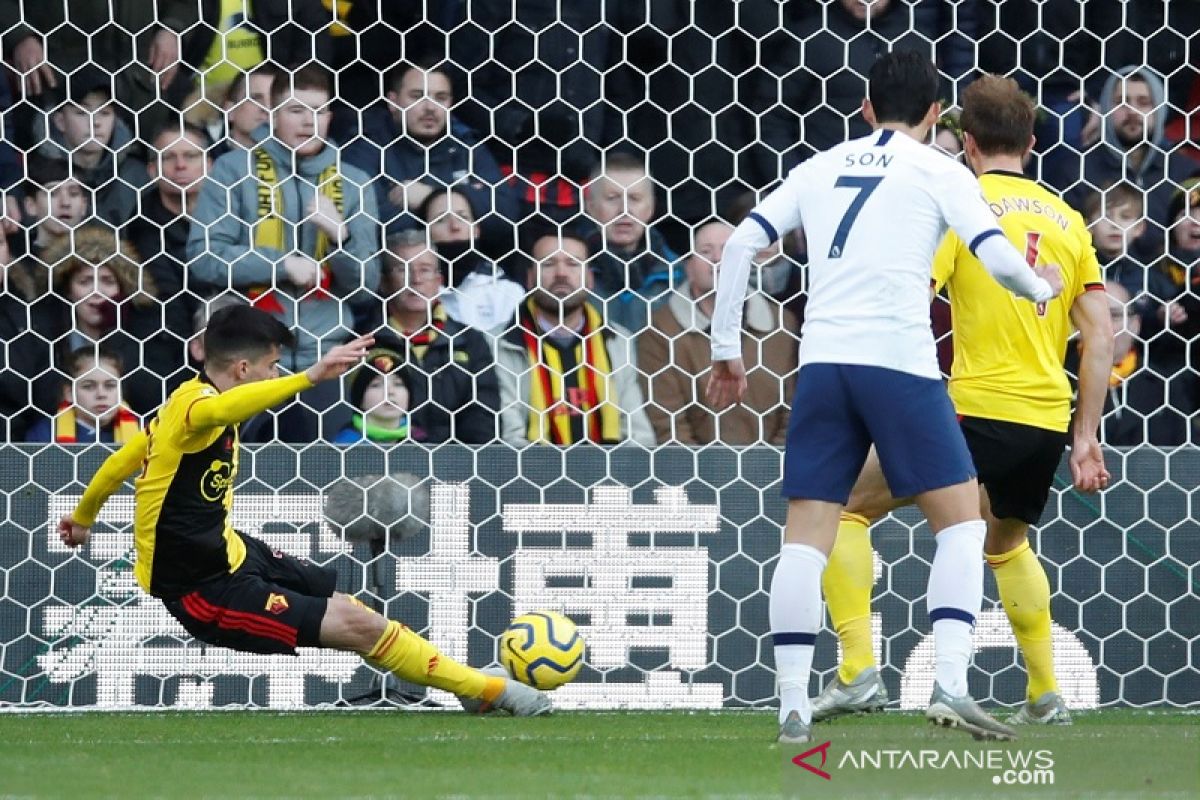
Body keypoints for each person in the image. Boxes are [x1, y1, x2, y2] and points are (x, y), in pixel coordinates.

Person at [706, 52, 1066, 745]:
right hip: (899, 364)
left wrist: (729, 347)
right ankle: (953, 685)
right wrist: (1042, 287)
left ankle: (790, 704)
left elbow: (741, 244)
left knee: (807, 533)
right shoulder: (940, 170)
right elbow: (994, 256)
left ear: (866, 108)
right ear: (937, 115)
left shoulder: (817, 167)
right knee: (962, 524)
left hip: (824, 365)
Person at [56, 305, 550, 717]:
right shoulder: (195, 409)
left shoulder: (178, 404)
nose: (276, 374)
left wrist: (83, 517)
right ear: (245, 371)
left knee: (354, 611)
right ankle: (487, 691)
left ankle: (467, 686)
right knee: (360, 628)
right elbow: (216, 414)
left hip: (232, 552)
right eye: (272, 366)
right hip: (199, 587)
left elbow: (121, 461)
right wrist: (309, 377)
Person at [810, 75, 1113, 729]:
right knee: (1005, 546)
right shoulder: (1068, 220)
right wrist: (1085, 434)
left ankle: (858, 672)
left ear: (967, 144)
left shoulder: (957, 202)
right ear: (1031, 142)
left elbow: (913, 296)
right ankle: (1046, 694)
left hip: (975, 409)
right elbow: (1100, 335)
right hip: (1044, 420)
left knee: (842, 510)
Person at [638, 219, 797, 445]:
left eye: (728, 250)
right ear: (689, 267)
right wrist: (704, 476)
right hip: (694, 472)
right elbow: (667, 422)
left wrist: (769, 470)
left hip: (773, 470)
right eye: (705, 251)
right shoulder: (661, 330)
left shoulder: (781, 324)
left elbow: (794, 411)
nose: (717, 259)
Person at [496, 224, 655, 448]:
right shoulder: (501, 343)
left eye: (573, 264)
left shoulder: (618, 341)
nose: (561, 273)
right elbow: (508, 435)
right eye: (548, 264)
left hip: (608, 476)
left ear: (590, 279)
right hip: (530, 476)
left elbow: (638, 434)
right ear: (530, 278)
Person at [356, 231, 500, 444]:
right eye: (402, 270)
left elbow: (482, 420)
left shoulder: (470, 342)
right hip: (386, 464)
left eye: (425, 270)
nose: (416, 280)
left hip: (456, 466)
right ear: (384, 282)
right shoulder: (362, 342)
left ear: (439, 280)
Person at [582, 153, 681, 334]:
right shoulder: (571, 273)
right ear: (590, 207)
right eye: (612, 198)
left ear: (651, 207)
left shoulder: (678, 275)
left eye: (635, 198)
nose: (624, 210)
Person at [25, 346, 140, 444]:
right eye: (88, 386)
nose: (101, 394)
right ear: (69, 393)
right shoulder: (45, 435)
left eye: (110, 386)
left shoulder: (144, 432)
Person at [332, 347, 421, 444]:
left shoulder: (422, 442)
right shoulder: (344, 446)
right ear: (360, 398)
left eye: (398, 384)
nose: (390, 391)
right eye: (376, 385)